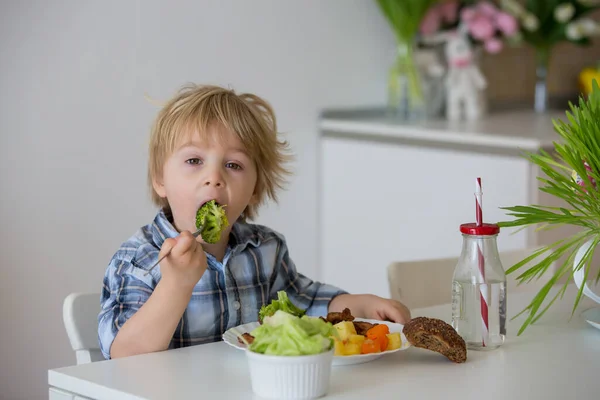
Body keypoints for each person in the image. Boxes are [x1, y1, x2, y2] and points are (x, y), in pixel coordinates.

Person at [98, 84, 411, 359]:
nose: (214, 178)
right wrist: (176, 284)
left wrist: (364, 305)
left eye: (233, 165)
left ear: (255, 189)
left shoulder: (265, 250)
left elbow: (308, 302)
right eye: (194, 160)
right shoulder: (140, 260)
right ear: (159, 179)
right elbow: (125, 355)